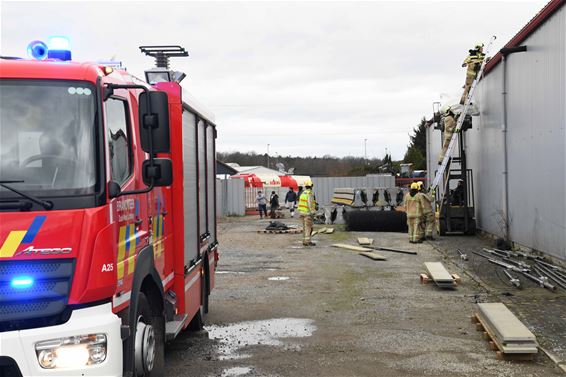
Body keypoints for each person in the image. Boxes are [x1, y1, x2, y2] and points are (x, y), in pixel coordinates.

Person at [297, 180, 317, 246]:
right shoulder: (310, 193)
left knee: (305, 228)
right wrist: (313, 212)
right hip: (307, 213)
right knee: (309, 228)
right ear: (311, 186)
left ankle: (304, 241)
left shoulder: (303, 193)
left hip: (302, 212)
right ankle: (308, 241)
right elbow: (310, 203)